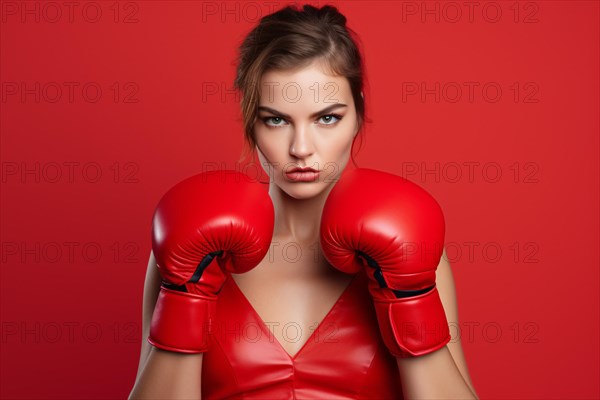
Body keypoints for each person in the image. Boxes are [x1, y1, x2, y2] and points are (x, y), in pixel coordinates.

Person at [129, 4, 479, 399]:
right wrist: (186, 293)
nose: (300, 148)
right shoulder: (193, 247)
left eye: (326, 118)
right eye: (275, 120)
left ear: (358, 113)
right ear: (250, 120)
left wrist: (407, 299)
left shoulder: (409, 243)